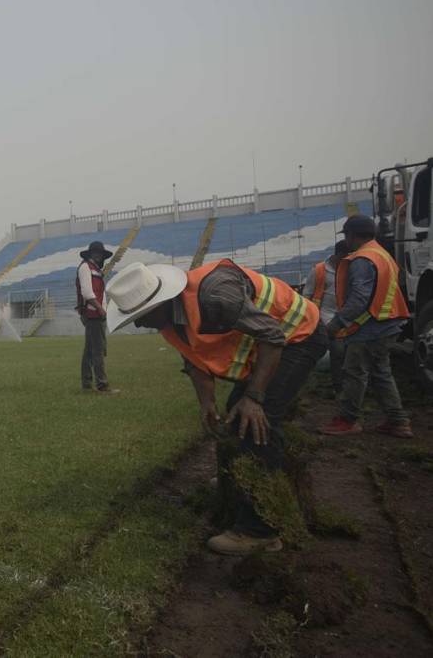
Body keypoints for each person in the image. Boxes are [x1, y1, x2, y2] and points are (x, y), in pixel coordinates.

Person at [105, 259, 326, 555]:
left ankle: (260, 531)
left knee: (255, 422)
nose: (139, 323)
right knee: (238, 413)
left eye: (142, 315)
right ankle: (241, 491)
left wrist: (255, 397)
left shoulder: (217, 296)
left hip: (298, 336)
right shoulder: (170, 319)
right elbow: (193, 360)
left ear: (162, 301)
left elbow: (273, 336)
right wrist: (206, 402)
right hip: (270, 345)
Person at [318, 215, 412, 438]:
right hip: (387, 322)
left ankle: (348, 419)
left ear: (352, 235)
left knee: (354, 372)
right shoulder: (382, 255)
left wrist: (337, 323)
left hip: (370, 327)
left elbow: (360, 297)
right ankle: (398, 421)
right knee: (381, 373)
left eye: (347, 235)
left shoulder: (362, 259)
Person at [301, 240, 350, 396]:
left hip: (342, 319)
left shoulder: (351, 269)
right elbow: (307, 296)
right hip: (321, 319)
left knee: (340, 353)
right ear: (338, 254)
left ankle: (339, 386)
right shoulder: (319, 270)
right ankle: (335, 386)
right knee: (335, 350)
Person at [75, 240, 119, 393]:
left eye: (100, 253)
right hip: (93, 314)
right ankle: (102, 384)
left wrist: (103, 308)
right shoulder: (85, 267)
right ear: (91, 254)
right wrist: (101, 309)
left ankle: (87, 383)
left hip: (95, 313)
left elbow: (98, 293)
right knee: (98, 350)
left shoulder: (94, 269)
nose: (99, 256)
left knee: (89, 350)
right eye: (97, 253)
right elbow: (87, 293)